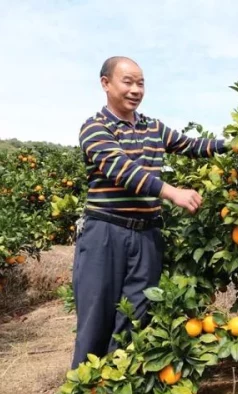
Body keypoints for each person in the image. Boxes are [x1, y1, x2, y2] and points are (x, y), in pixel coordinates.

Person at [71, 56, 229, 369]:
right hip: (105, 234)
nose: (135, 89)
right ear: (106, 84)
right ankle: (85, 386)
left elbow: (192, 145)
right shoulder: (95, 127)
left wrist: (237, 144)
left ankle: (120, 385)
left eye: (140, 83)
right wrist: (172, 193)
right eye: (127, 81)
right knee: (95, 323)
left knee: (134, 323)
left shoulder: (153, 127)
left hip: (147, 236)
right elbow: (121, 169)